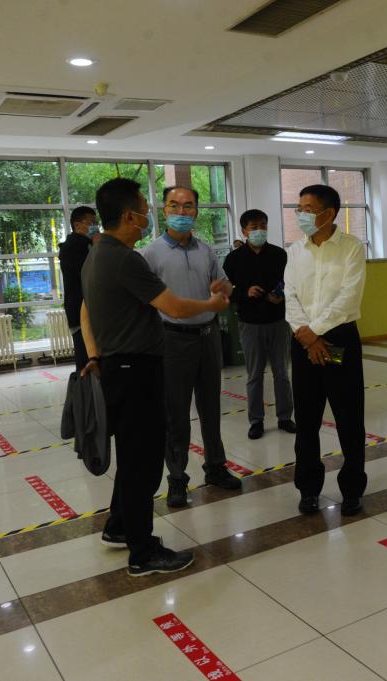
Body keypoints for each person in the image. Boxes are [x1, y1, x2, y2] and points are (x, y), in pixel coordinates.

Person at [80, 177, 229, 577]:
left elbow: (87, 311)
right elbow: (174, 307)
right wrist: (212, 303)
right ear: (130, 216)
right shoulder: (129, 259)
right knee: (143, 462)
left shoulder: (98, 253)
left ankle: (118, 526)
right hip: (135, 370)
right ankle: (143, 553)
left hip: (120, 366)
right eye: (147, 209)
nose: (150, 216)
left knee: (132, 456)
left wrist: (94, 355)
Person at [142, 186, 242, 508]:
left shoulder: (206, 251)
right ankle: (177, 478)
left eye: (187, 207)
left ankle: (215, 467)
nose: (181, 212)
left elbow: (225, 289)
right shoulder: (150, 254)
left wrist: (224, 288)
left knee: (211, 407)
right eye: (174, 206)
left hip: (208, 337)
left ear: (196, 211)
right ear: (164, 211)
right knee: (176, 414)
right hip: (172, 339)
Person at [285, 184, 367, 516]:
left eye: (307, 209)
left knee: (349, 418)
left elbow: (349, 296)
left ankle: (352, 490)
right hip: (303, 342)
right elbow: (290, 295)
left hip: (339, 341)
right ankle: (308, 489)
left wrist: (315, 332)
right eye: (299, 209)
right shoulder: (295, 250)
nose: (301, 215)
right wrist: (307, 337)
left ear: (329, 213)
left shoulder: (351, 248)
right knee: (306, 420)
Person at [223, 209, 296, 440]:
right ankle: (256, 421)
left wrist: (280, 294)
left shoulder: (279, 255)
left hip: (278, 321)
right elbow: (227, 290)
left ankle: (285, 417)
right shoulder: (233, 259)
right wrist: (244, 292)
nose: (259, 231)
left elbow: (290, 281)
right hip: (250, 323)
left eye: (263, 226)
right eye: (254, 227)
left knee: (281, 373)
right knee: (254, 375)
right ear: (244, 231)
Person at [59, 206, 100, 371]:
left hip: (89, 310)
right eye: (91, 223)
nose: (95, 226)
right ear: (77, 225)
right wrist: (97, 247)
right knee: (87, 362)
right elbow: (91, 272)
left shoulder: (86, 244)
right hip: (80, 312)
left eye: (96, 223)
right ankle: (84, 387)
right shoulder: (73, 247)